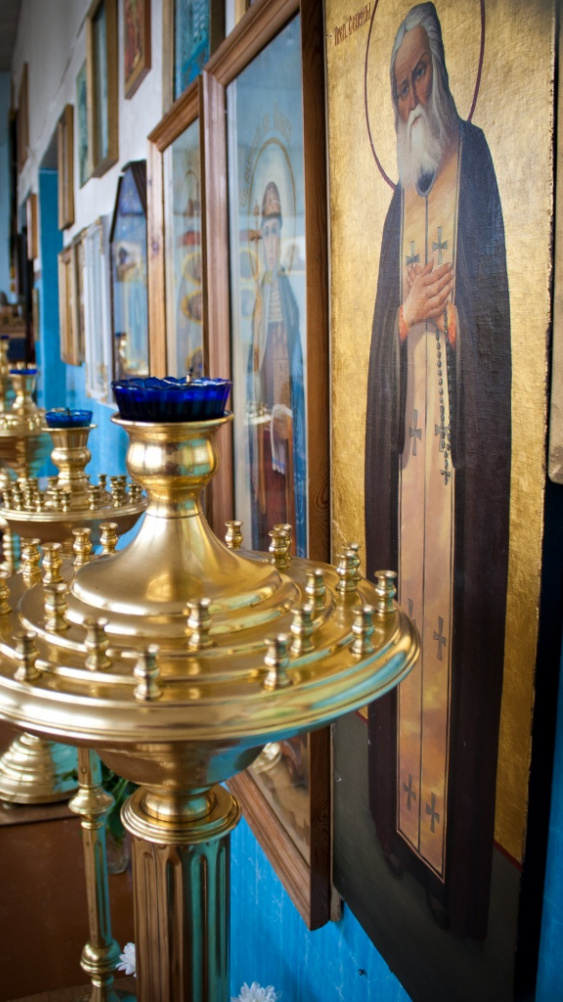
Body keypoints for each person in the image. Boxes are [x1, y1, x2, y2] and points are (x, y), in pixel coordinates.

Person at [364, 2, 511, 937]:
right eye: (397, 86)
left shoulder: (478, 166)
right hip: (406, 469)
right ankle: (397, 841)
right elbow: (381, 341)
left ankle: (449, 875)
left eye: (420, 75)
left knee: (451, 648)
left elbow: (495, 328)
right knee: (407, 633)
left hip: (457, 481)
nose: (411, 98)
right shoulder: (396, 207)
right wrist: (404, 318)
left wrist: (449, 320)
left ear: (445, 74)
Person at [247, 181, 306, 554]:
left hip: (287, 410)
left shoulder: (288, 291)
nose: (271, 242)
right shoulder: (259, 296)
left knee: (288, 489)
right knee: (269, 487)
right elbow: (254, 358)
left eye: (275, 233)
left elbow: (296, 350)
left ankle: (292, 551)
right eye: (265, 233)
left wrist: (290, 408)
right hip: (264, 412)